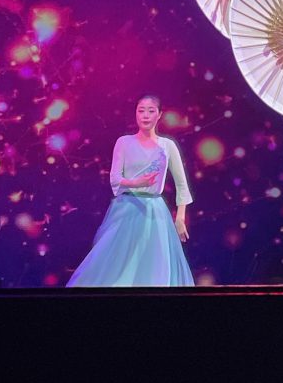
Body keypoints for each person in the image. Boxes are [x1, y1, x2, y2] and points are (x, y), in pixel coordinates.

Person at [67, 95, 194, 287]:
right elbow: (115, 180)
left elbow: (182, 185)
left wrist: (180, 217)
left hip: (155, 212)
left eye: (151, 111)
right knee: (114, 265)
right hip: (127, 208)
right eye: (141, 110)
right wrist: (137, 183)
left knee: (154, 266)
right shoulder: (124, 142)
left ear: (159, 115)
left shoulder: (167, 146)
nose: (145, 115)